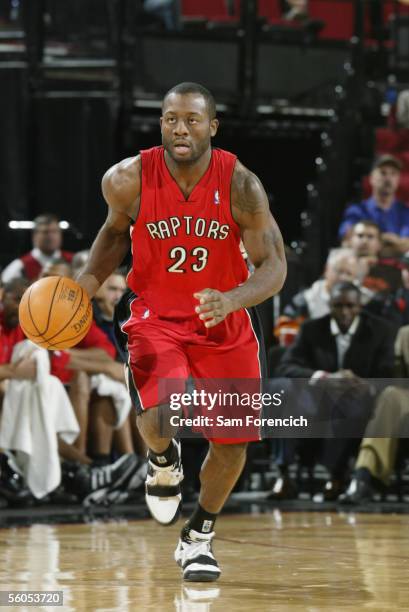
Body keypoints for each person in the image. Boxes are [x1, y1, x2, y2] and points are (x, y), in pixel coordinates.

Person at [76, 81, 286, 581]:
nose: (180, 128)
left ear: (212, 126)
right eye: (171, 119)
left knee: (232, 443)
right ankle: (163, 458)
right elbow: (113, 231)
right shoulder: (128, 178)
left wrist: (233, 298)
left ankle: (199, 536)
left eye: (192, 119)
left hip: (224, 320)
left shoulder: (241, 185)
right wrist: (85, 283)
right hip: (156, 316)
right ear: (162, 124)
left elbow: (273, 265)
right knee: (161, 407)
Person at [270, 282, 395, 501]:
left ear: (360, 306)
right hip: (316, 398)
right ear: (330, 305)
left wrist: (362, 383)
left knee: (352, 404)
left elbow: (388, 373)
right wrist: (322, 377)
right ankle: (284, 473)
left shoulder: (381, 330)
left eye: (350, 306)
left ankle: (336, 475)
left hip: (357, 399)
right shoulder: (311, 329)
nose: (345, 311)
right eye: (339, 306)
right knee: (282, 390)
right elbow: (286, 365)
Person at [338, 155, 409, 254]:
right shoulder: (357, 210)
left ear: (398, 180)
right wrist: (392, 242)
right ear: (371, 178)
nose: (388, 178)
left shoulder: (406, 212)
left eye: (393, 173)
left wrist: (372, 242)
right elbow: (347, 239)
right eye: (383, 173)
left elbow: (407, 244)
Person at [1, 214, 74, 283]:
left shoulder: (73, 260)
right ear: (34, 236)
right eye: (45, 232)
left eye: (54, 231)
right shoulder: (20, 266)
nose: (51, 236)